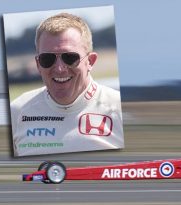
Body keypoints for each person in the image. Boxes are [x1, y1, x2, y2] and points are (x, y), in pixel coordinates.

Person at [10, 13, 124, 156]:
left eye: (70, 57)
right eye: (47, 59)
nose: (59, 69)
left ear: (91, 61)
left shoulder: (120, 109)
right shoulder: (16, 112)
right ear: (38, 64)